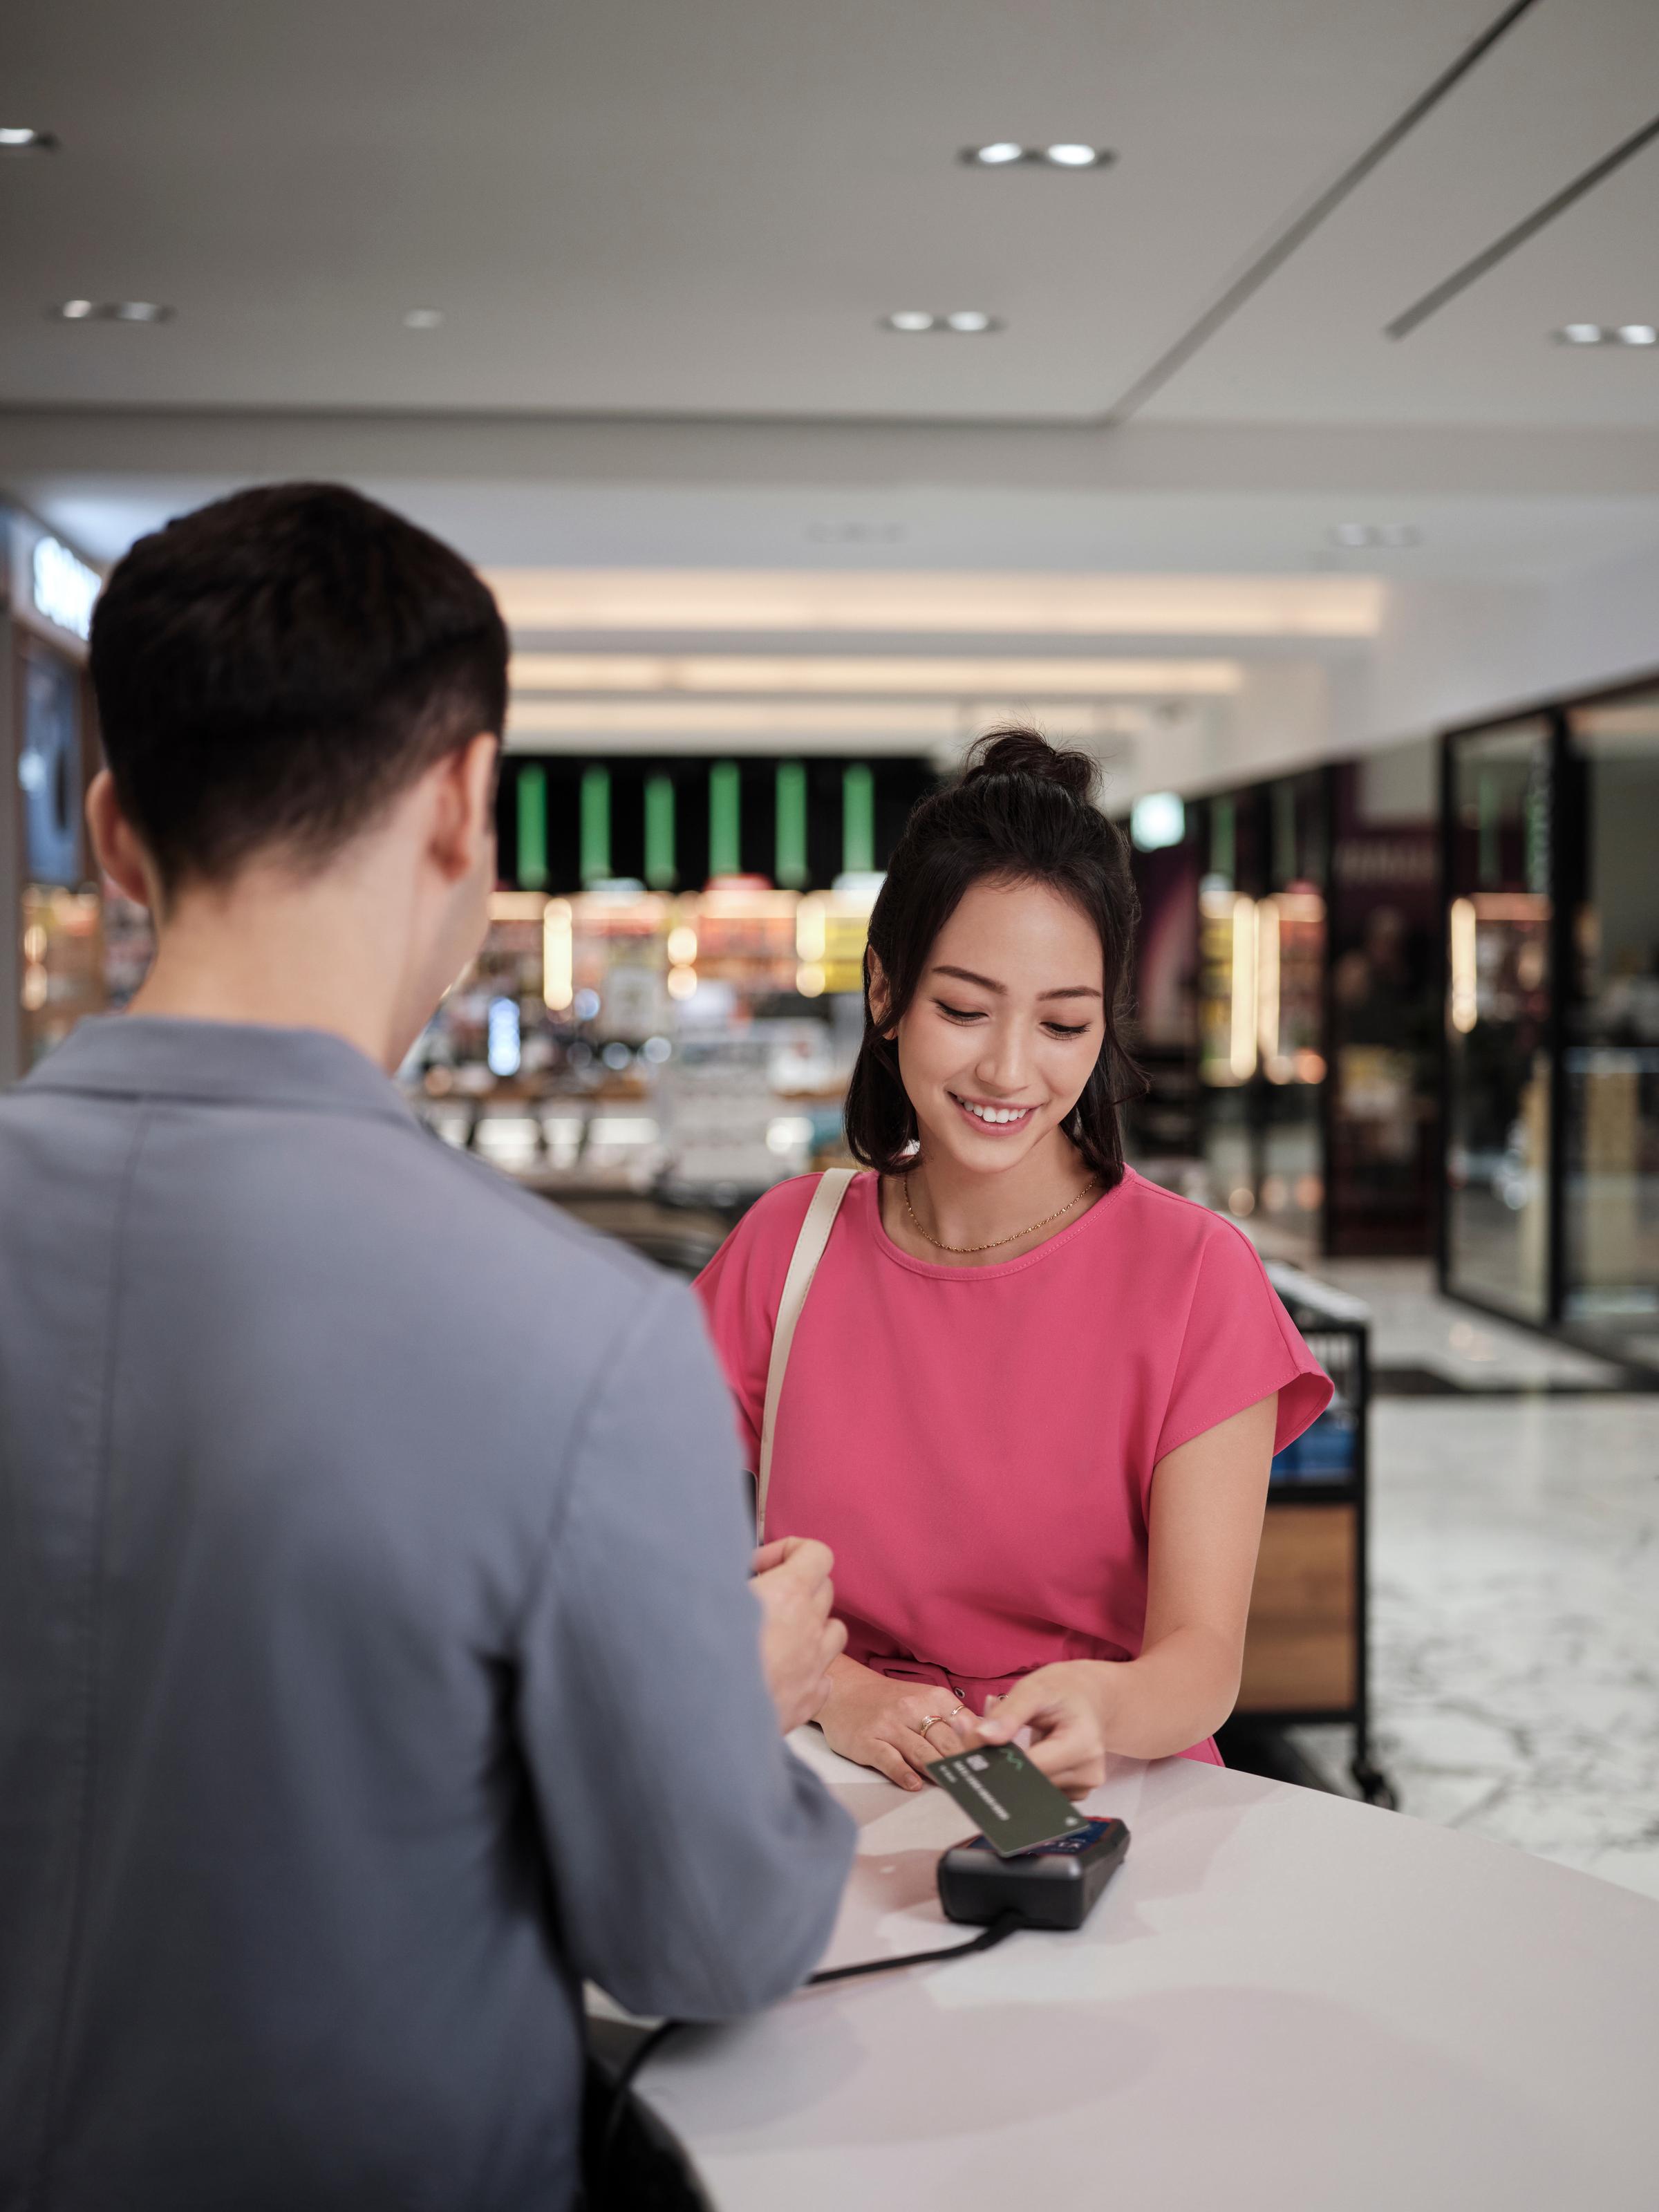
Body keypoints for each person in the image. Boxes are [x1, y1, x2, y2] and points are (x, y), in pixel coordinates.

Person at [0, 483, 853, 2212]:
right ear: (464, 802)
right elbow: (704, 1937)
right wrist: (728, 1707)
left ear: (112, 830)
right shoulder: (589, 1340)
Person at [696, 729, 1332, 1798]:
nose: (1008, 1068)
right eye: (963, 1009)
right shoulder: (786, 1247)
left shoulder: (1195, 1276)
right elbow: (645, 1543)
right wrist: (841, 1690)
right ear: (885, 992)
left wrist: (1100, 1705)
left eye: (1063, 1024)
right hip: (824, 1784)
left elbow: (1202, 1661)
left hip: (1098, 1795)